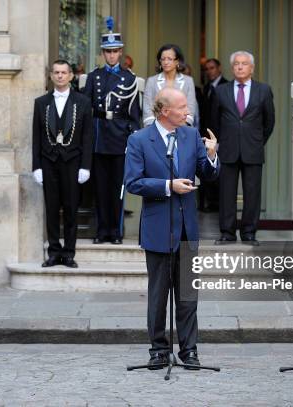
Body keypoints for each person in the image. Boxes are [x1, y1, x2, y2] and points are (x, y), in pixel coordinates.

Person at [124, 88, 219, 369]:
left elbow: (207, 173)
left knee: (188, 296)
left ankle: (189, 350)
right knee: (158, 294)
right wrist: (168, 186)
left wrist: (212, 156)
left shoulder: (191, 134)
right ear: (164, 111)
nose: (187, 110)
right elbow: (133, 182)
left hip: (187, 228)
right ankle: (158, 349)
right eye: (181, 106)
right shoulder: (140, 140)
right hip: (157, 228)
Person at [83, 17, 141, 245]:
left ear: (120, 53)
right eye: (108, 52)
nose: (111, 56)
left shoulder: (129, 78)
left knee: (118, 189)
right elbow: (87, 112)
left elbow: (134, 115)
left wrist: (133, 140)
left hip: (119, 139)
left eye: (115, 51)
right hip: (98, 139)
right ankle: (101, 231)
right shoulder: (94, 77)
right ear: (103, 53)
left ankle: (115, 232)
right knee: (100, 189)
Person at [32, 60, 93, 268]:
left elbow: (87, 137)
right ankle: (53, 252)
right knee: (51, 209)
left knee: (70, 209)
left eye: (63, 72)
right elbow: (36, 137)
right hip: (48, 162)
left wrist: (86, 166)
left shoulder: (83, 102)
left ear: (71, 76)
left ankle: (69, 253)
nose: (59, 76)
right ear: (51, 75)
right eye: (56, 72)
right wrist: (36, 166)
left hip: (73, 162)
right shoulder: (41, 102)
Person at [211, 51, 275, 245]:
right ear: (232, 68)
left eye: (244, 63)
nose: (240, 67)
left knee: (252, 194)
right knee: (226, 194)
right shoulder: (221, 90)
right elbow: (214, 121)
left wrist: (257, 141)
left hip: (253, 149)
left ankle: (249, 233)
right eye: (236, 64)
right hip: (227, 150)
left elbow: (269, 122)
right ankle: (227, 233)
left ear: (252, 68)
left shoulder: (263, 90)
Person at [143, 44, 198, 128]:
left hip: (182, 128)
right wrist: (154, 128)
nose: (165, 62)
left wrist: (183, 126)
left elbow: (190, 106)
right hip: (156, 128)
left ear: (177, 61)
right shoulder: (152, 81)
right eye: (163, 59)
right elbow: (147, 106)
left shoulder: (188, 81)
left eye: (169, 59)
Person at [198, 58, 227, 213]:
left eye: (212, 68)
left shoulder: (226, 86)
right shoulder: (207, 87)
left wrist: (221, 139)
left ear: (219, 68)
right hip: (206, 136)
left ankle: (218, 204)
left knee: (219, 171)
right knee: (206, 167)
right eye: (207, 69)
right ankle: (209, 203)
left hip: (221, 137)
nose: (209, 71)